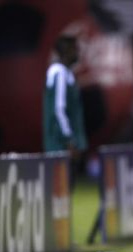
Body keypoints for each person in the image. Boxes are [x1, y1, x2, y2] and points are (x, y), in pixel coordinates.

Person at [43, 35, 87, 187]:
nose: (78, 54)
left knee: (65, 192)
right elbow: (58, 108)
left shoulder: (66, 73)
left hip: (64, 143)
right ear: (67, 51)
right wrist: (69, 140)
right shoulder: (59, 73)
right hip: (60, 145)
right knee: (60, 190)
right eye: (75, 49)